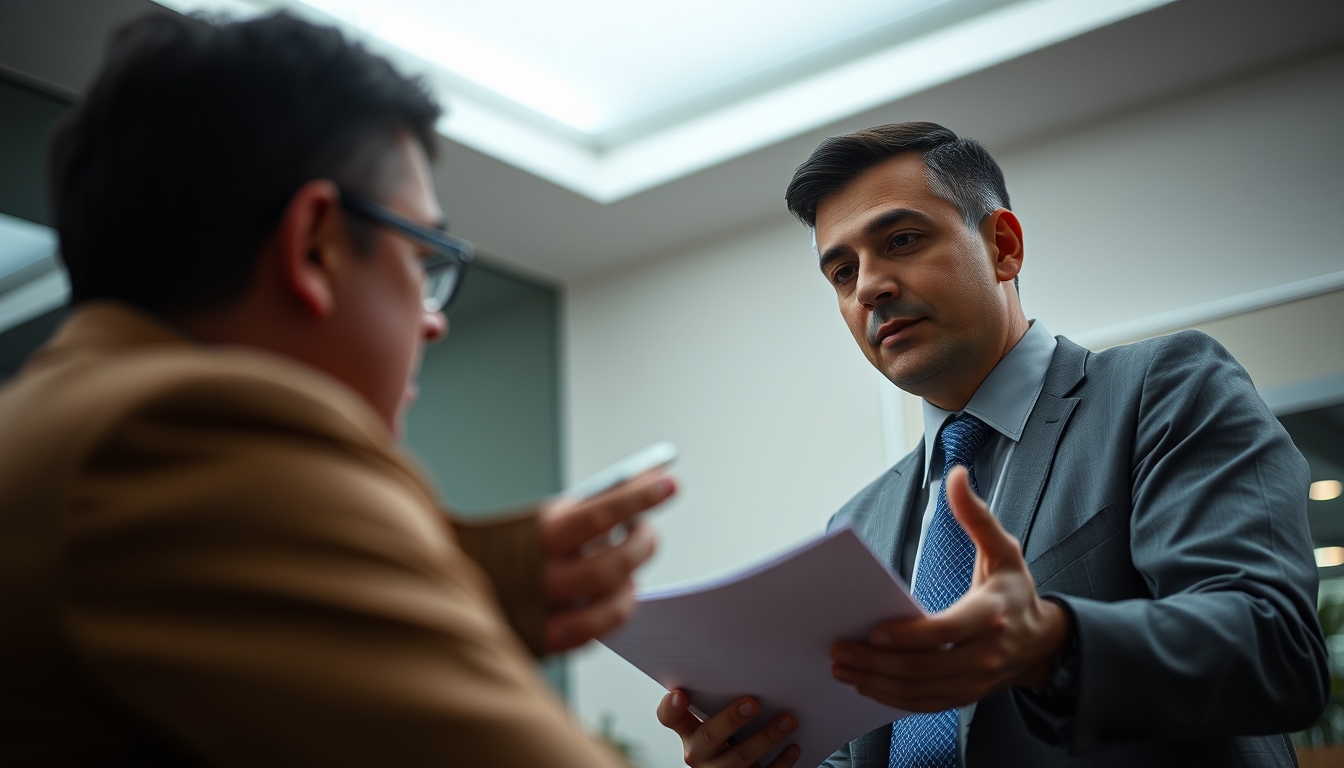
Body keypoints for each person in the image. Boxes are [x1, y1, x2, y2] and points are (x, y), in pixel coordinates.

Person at [0, 11, 672, 767]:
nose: (433, 323)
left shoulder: (73, 424)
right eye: (422, 261)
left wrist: (479, 577)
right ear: (315, 242)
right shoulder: (182, 430)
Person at [655, 122, 1328, 767]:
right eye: (841, 272)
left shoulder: (1163, 389)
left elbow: (1275, 648)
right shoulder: (858, 523)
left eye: (903, 239)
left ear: (1003, 246)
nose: (869, 287)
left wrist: (1051, 646)